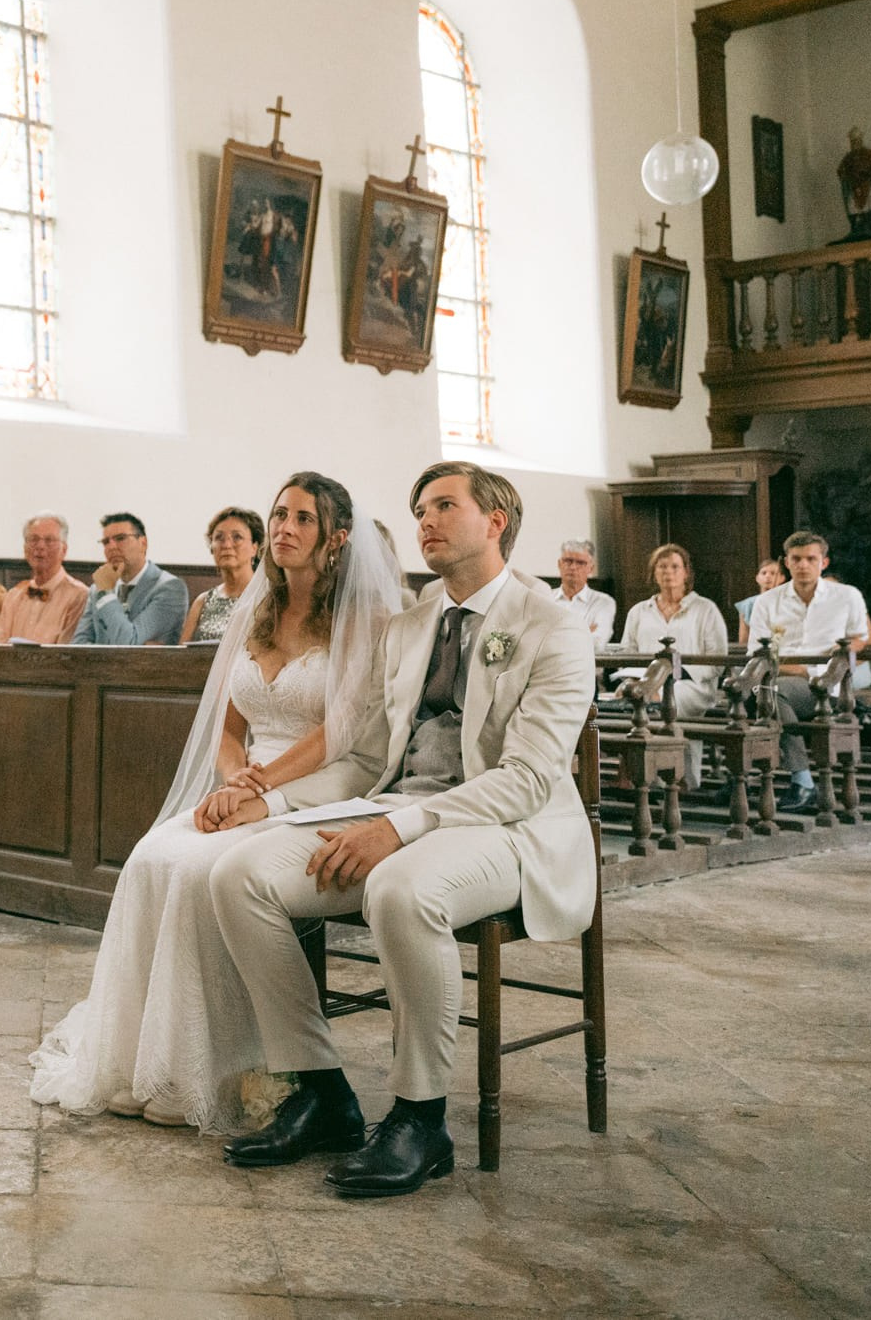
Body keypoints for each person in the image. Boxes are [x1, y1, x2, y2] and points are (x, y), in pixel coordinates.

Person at [211, 462, 596, 1198]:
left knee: (398, 888)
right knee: (241, 874)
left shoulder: (553, 627)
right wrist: (273, 803)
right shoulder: (409, 625)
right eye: (420, 507)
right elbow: (365, 761)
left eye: (446, 504)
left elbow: (527, 778)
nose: (426, 518)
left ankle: (421, 1117)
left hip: (510, 828)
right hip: (396, 806)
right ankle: (322, 1091)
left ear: (496, 521)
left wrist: (400, 830)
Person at [30, 473, 396, 1131]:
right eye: (278, 513)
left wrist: (261, 788)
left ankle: (216, 1067)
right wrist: (233, 780)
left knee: (203, 871)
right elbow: (228, 728)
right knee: (153, 857)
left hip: (327, 782)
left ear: (336, 538)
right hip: (250, 780)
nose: (284, 526)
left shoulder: (361, 617)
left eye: (303, 518)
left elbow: (340, 730)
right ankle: (144, 1060)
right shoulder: (257, 611)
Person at [744, 530, 871, 818]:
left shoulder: (846, 596)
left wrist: (816, 670)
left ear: (823, 562)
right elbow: (757, 651)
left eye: (810, 559)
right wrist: (797, 669)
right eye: (796, 559)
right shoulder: (767, 601)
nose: (803, 565)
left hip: (829, 685)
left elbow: (860, 639)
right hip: (780, 680)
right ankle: (799, 779)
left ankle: (796, 780)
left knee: (768, 696)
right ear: (786, 563)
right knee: (766, 694)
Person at [614, 544, 730, 789]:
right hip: (645, 681)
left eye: (675, 566)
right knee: (629, 695)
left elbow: (717, 658)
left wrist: (675, 676)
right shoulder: (639, 611)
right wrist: (633, 677)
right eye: (662, 566)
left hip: (693, 685)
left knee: (660, 699)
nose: (668, 572)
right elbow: (628, 652)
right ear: (653, 572)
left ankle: (676, 777)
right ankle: (640, 774)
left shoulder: (705, 609)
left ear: (686, 572)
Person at [74, 513, 189, 645]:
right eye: (106, 542)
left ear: (143, 543)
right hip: (100, 666)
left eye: (120, 538)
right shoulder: (97, 589)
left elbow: (129, 644)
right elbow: (78, 646)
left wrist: (106, 594)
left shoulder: (170, 588)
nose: (111, 547)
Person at [0, 514, 89, 644]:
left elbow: (67, 654)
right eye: (33, 539)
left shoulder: (79, 595)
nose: (40, 546)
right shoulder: (13, 596)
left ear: (64, 550)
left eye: (49, 540)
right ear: (24, 548)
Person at [180, 507, 262, 644]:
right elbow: (179, 658)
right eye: (219, 538)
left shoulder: (267, 596)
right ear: (212, 548)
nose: (227, 545)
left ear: (255, 547)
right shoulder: (202, 601)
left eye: (237, 537)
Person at [551, 539, 617, 643]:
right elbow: (537, 640)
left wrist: (556, 636)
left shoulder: (604, 602)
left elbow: (598, 643)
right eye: (568, 561)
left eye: (580, 563)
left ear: (591, 568)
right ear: (559, 564)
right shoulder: (545, 598)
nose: (573, 567)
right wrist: (584, 631)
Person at [734, 557, 787, 640]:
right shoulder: (747, 604)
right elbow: (744, 638)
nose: (768, 576)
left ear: (782, 578)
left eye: (773, 573)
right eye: (763, 573)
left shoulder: (788, 602)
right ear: (757, 578)